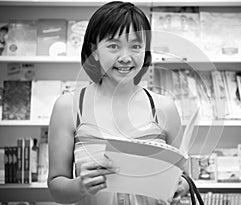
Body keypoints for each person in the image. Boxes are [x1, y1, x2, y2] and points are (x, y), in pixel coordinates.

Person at [47, 1, 189, 204]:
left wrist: (180, 186)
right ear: (94, 50)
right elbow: (56, 186)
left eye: (136, 46)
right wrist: (80, 186)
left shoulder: (164, 107)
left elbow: (183, 175)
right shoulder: (68, 107)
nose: (125, 57)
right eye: (113, 46)